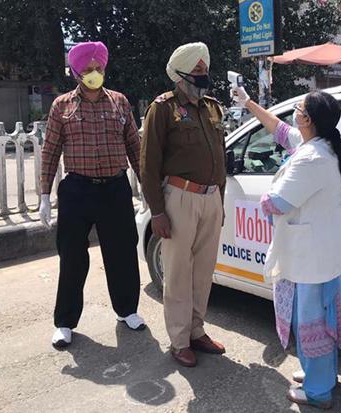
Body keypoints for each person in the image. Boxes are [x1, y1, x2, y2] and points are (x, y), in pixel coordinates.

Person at [232, 86, 341, 409]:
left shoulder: (313, 158)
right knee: (322, 318)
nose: (294, 114)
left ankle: (318, 391)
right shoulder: (319, 144)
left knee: (313, 322)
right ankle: (322, 375)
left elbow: (278, 203)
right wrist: (248, 103)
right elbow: (278, 129)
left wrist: (264, 193)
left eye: (298, 109)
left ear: (309, 119)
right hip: (325, 250)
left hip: (316, 256)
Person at [40, 41, 146, 349]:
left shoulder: (119, 102)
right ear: (76, 73)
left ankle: (127, 310)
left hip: (115, 188)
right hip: (78, 190)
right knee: (72, 257)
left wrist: (146, 189)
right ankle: (65, 321)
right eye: (87, 69)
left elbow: (134, 148)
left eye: (98, 68)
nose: (94, 73)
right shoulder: (62, 106)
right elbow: (50, 151)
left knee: (123, 253)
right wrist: (45, 194)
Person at [140, 42, 226, 368]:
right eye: (198, 71)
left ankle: (196, 329)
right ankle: (179, 340)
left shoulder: (212, 108)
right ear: (181, 74)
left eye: (205, 70)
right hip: (180, 198)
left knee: (203, 271)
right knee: (178, 273)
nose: (204, 76)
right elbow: (149, 164)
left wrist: (221, 200)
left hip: (211, 198)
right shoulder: (162, 108)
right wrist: (157, 211)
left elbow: (221, 158)